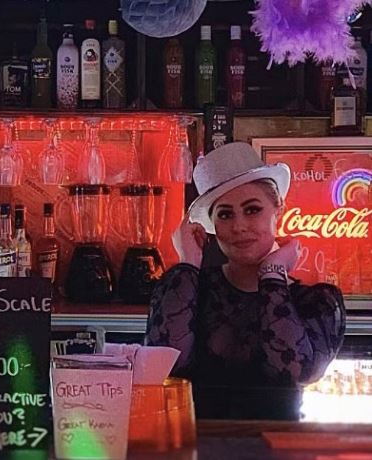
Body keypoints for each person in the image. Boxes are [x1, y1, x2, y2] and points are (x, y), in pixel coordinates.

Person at [146, 142, 346, 420]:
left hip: (278, 444)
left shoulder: (317, 301)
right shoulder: (188, 290)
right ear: (213, 226)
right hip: (196, 442)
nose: (239, 226)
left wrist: (272, 273)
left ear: (278, 209)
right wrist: (187, 262)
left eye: (252, 210)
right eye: (225, 214)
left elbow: (295, 371)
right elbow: (165, 367)